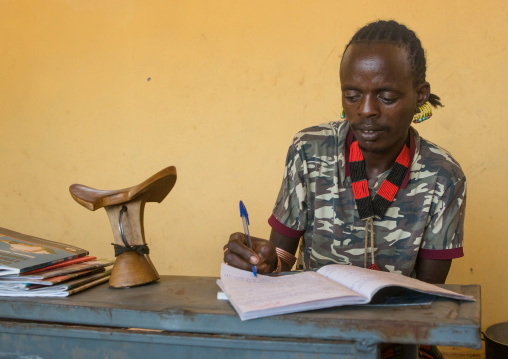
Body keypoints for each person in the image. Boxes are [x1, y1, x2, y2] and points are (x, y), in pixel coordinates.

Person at [224, 20, 465, 287]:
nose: (366, 110)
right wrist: (265, 263)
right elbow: (282, 258)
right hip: (315, 318)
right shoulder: (309, 150)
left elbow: (429, 294)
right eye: (352, 95)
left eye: (386, 97)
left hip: (396, 323)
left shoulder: (443, 176)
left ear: (420, 95)